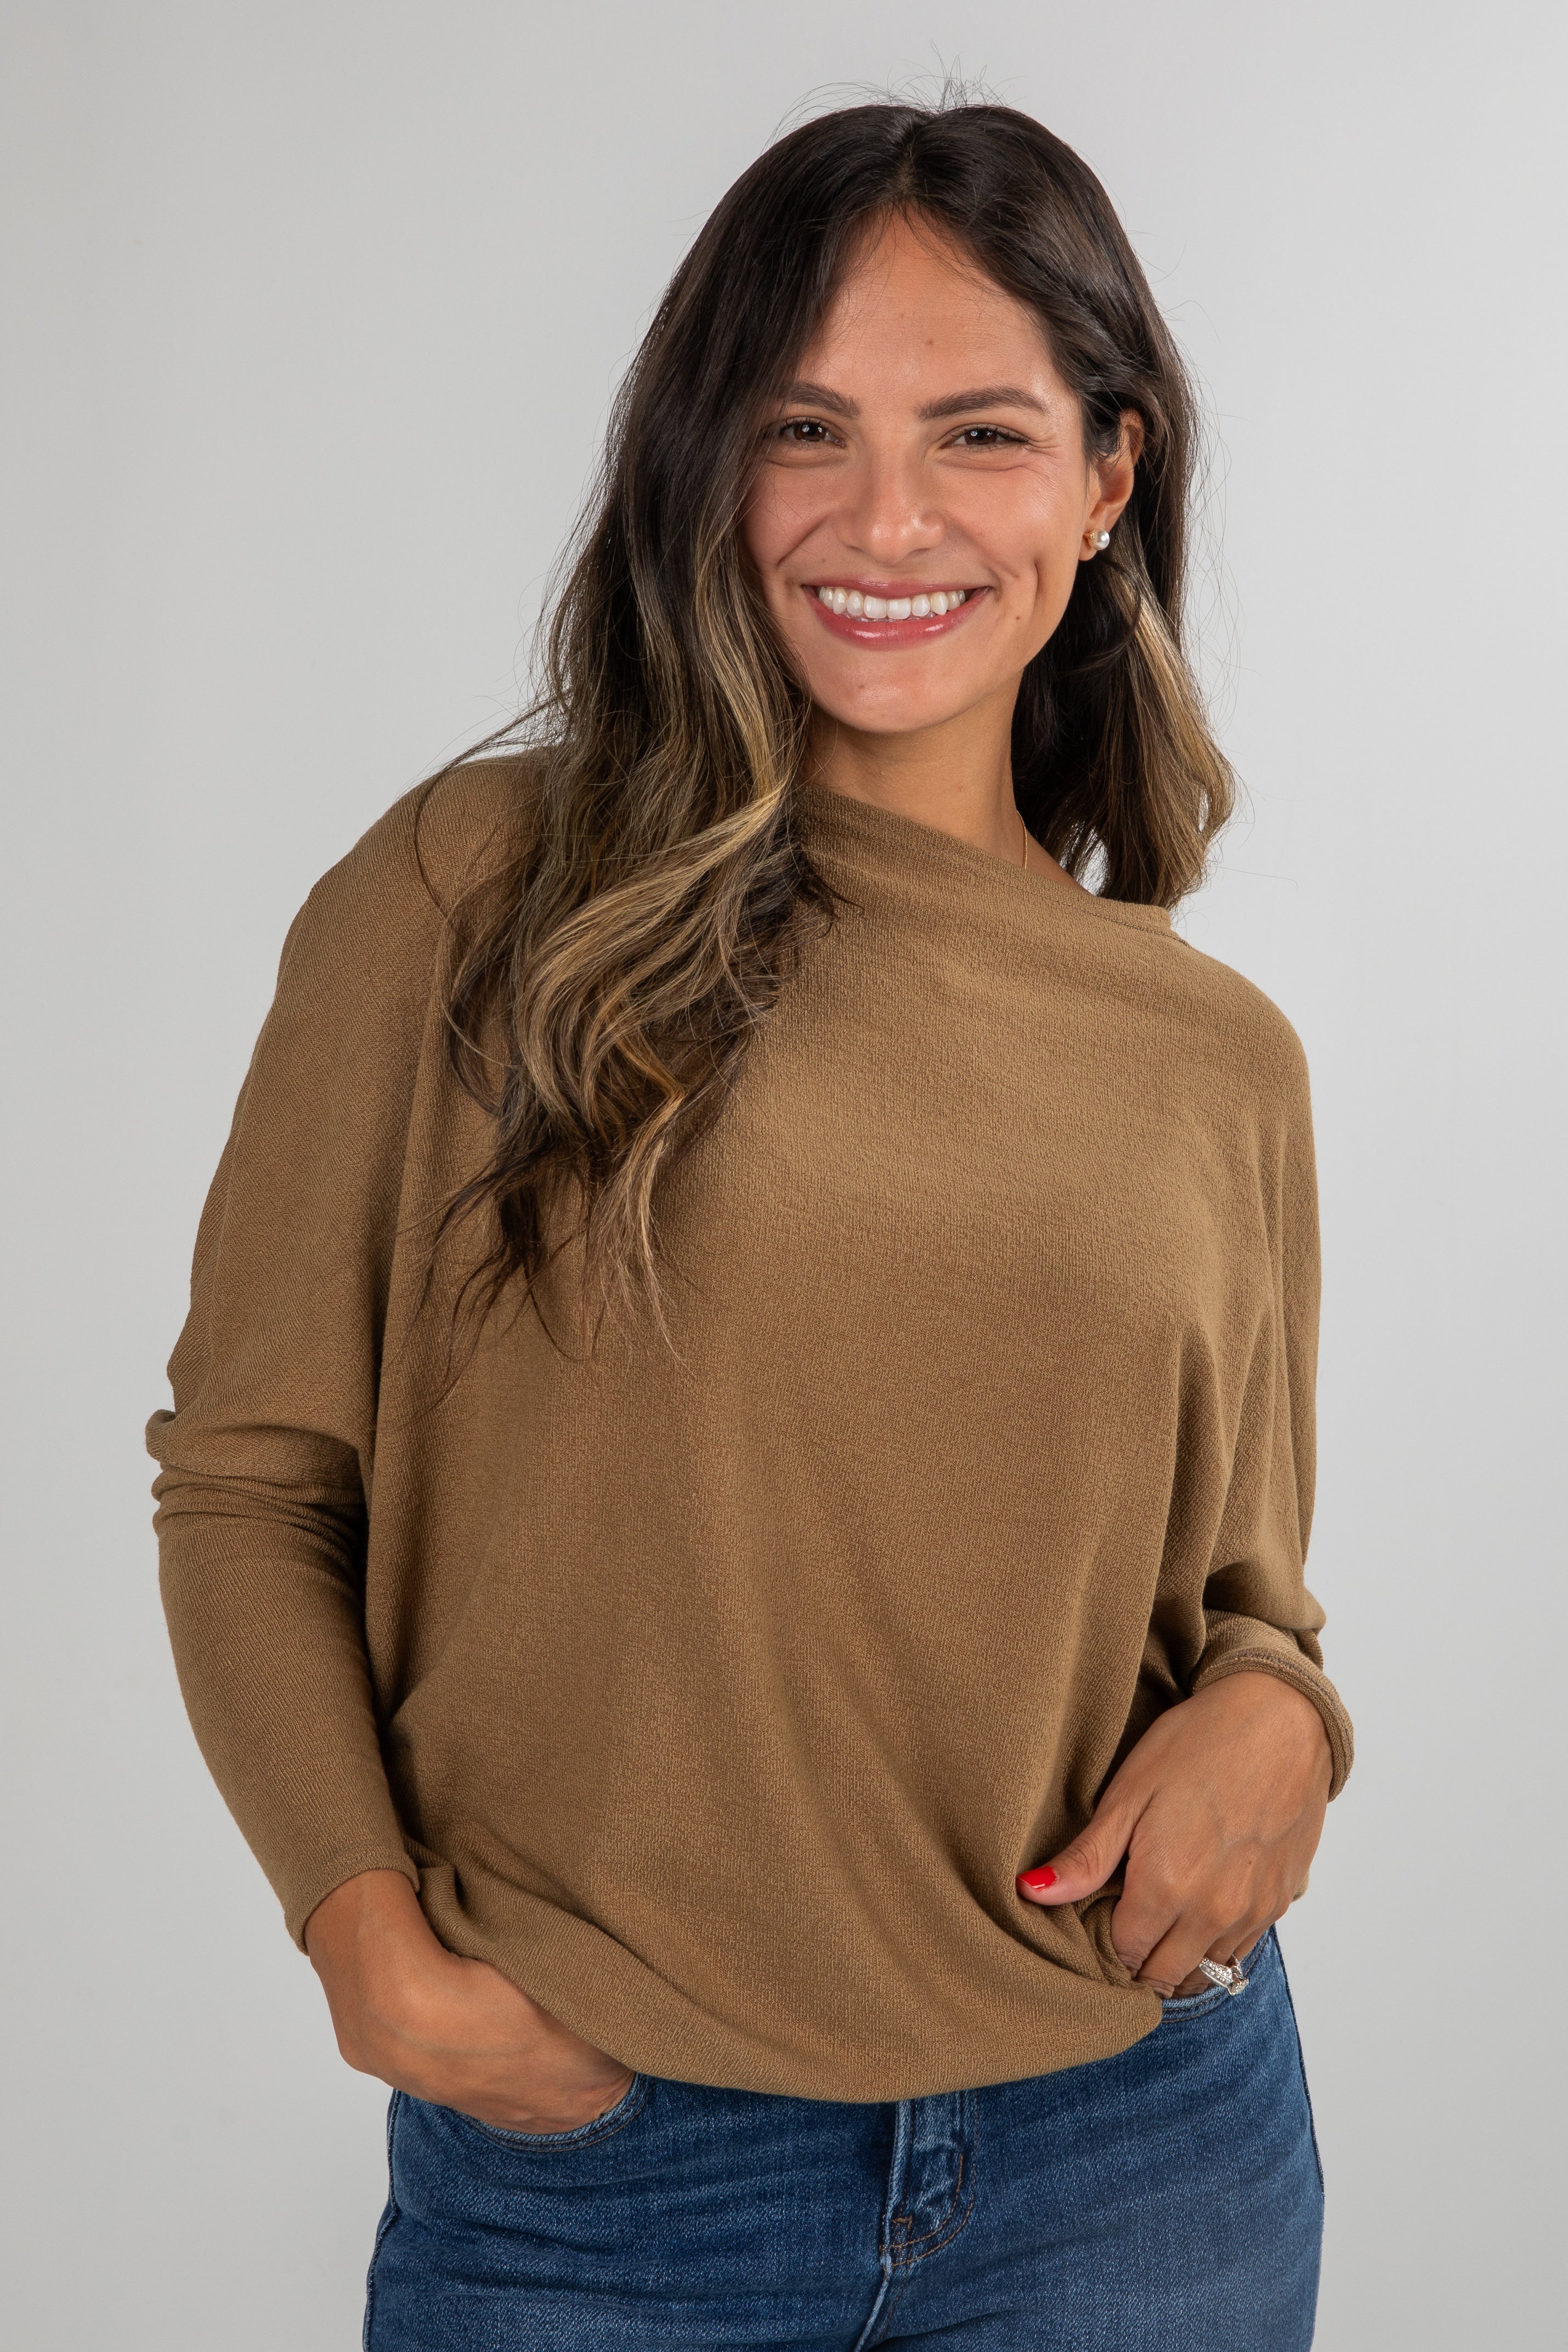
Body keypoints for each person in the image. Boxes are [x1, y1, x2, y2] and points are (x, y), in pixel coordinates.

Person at [148, 99, 1351, 2351]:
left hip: (1137, 2151)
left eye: (978, 432)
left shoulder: (1214, 1059)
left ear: (1106, 480)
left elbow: (1236, 1604)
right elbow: (248, 1477)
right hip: (602, 2177)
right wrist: (365, 1941)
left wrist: (1289, 1711)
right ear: (707, 468)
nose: (883, 517)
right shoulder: (475, 895)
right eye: (802, 430)